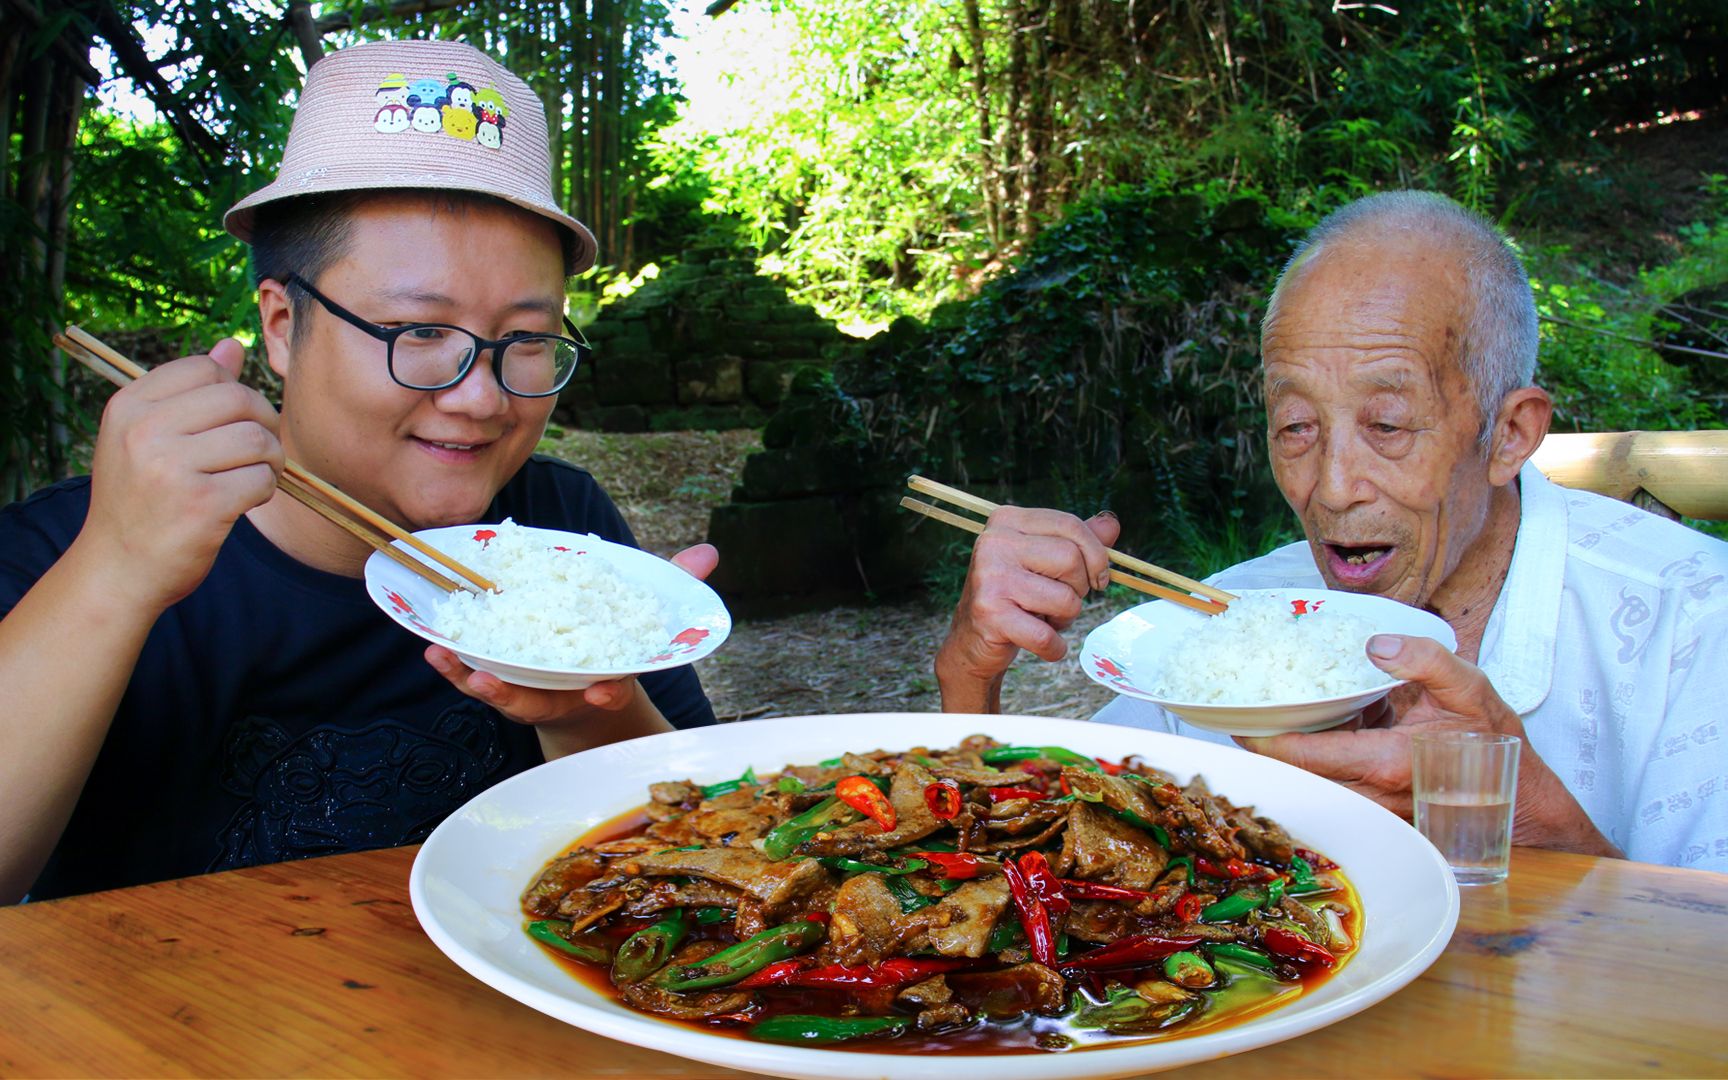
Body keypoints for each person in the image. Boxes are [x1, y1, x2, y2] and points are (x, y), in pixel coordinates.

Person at [0, 40, 718, 905]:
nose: (483, 398)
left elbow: (695, 861)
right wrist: (114, 573)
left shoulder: (562, 528)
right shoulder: (65, 550)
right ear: (280, 325)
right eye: (418, 333)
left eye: (526, 341)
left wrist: (579, 706)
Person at [936, 191, 1728, 873]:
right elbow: (1046, 860)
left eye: (1387, 423)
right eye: (1296, 426)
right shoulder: (1226, 629)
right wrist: (973, 678)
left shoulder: (1694, 622)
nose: (1334, 488)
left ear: (1510, 433)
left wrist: (1540, 830)